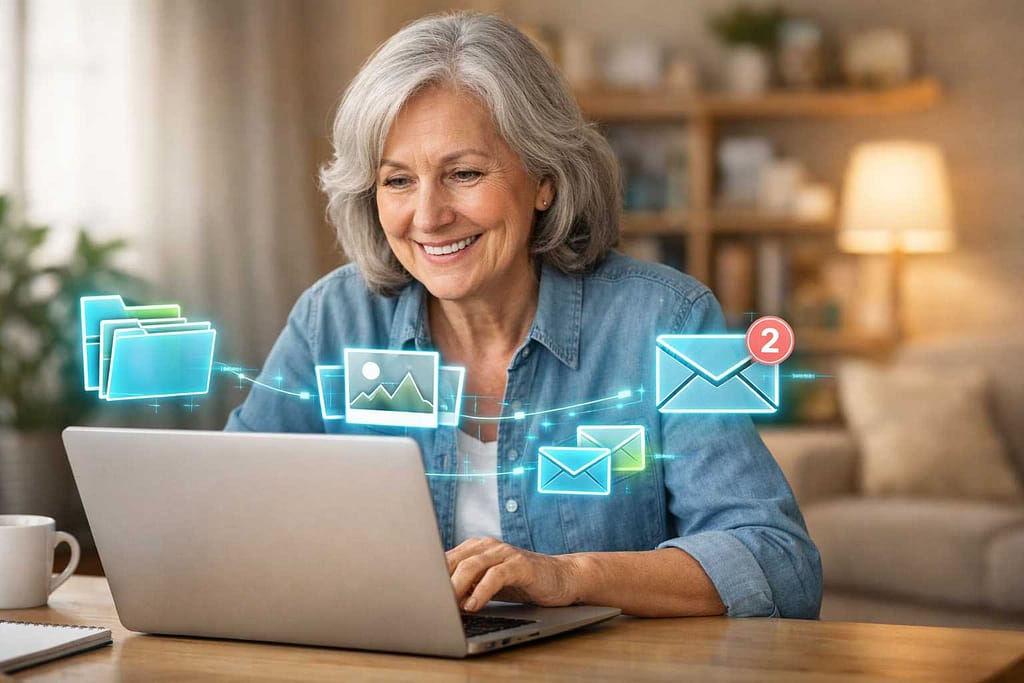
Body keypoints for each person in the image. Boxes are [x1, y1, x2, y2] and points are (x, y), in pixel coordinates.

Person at [226, 11, 821, 619]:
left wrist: (570, 576)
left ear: (545, 180)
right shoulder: (334, 320)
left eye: (464, 174)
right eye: (398, 180)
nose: (428, 217)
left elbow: (777, 562)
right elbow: (226, 513)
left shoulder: (667, 319)